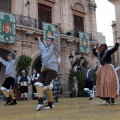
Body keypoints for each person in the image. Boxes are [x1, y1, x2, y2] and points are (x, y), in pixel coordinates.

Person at [34, 24, 60, 111]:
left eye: (48, 40)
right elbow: (41, 46)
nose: (47, 41)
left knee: (47, 85)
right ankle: (46, 103)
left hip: (52, 70)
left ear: (52, 42)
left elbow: (57, 42)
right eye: (47, 40)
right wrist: (39, 40)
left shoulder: (55, 49)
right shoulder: (44, 50)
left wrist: (56, 31)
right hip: (44, 70)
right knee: (38, 84)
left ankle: (45, 102)